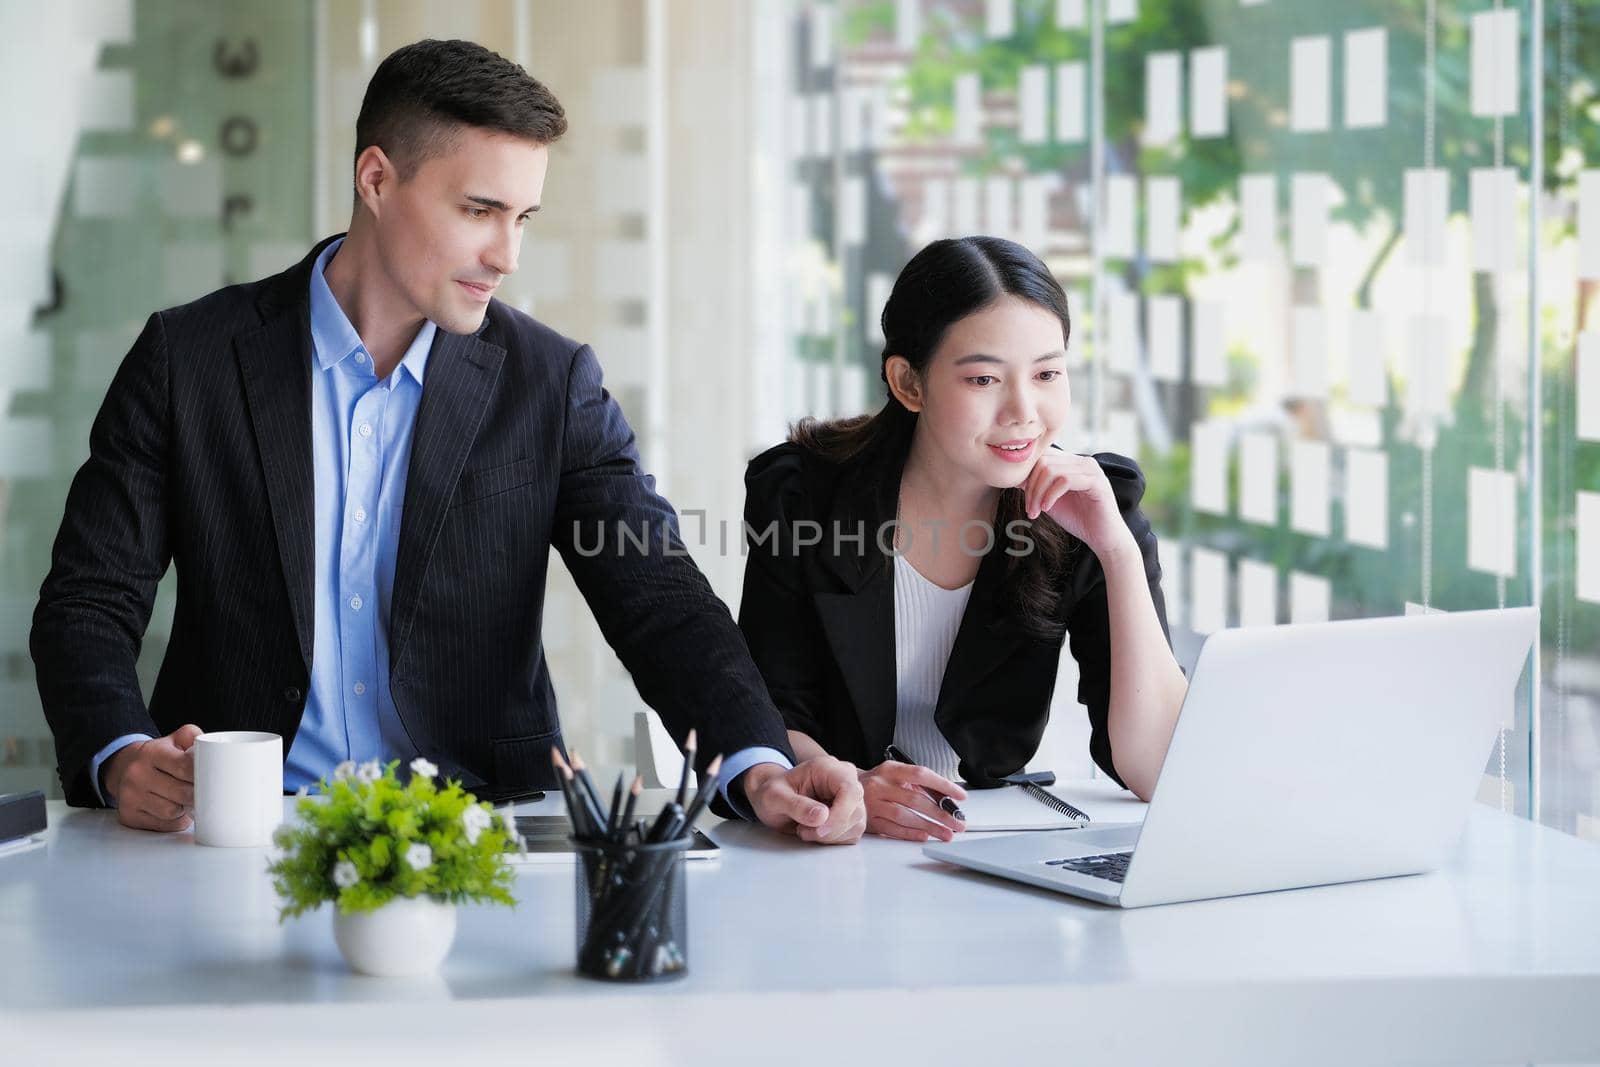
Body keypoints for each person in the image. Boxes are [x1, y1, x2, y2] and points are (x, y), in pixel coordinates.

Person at [30, 39, 864, 845]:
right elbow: (88, 602)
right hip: (240, 830)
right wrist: (119, 754)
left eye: (523, 217)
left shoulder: (550, 380)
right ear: (377, 179)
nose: (506, 254)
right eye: (479, 211)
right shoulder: (191, 360)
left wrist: (758, 765)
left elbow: (661, 599)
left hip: (478, 830)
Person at [738, 236, 1187, 843]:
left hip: (993, 850)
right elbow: (770, 705)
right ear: (909, 383)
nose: (1023, 411)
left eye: (1048, 373)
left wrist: (1118, 552)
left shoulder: (1088, 505)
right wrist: (847, 782)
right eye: (983, 379)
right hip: (835, 845)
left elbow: (1161, 770)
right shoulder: (804, 495)